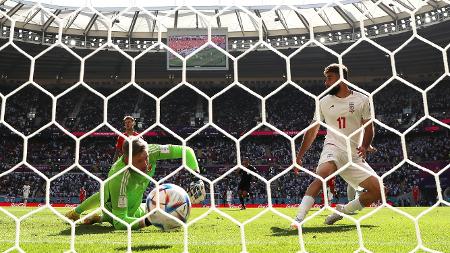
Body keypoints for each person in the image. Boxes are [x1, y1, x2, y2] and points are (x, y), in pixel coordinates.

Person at [291, 63, 381, 228]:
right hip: (333, 147)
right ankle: (298, 219)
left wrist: (365, 145)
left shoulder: (362, 99)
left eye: (329, 78)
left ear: (341, 78)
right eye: (326, 79)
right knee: (322, 175)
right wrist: (299, 156)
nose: (326, 83)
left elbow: (369, 127)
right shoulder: (323, 102)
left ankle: (342, 211)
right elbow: (312, 131)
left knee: (378, 190)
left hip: (353, 154)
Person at [65, 138, 206, 230]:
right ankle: (97, 215)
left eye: (146, 158)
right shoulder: (119, 176)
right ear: (127, 160)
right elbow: (120, 223)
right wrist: (152, 221)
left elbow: (187, 151)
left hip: (136, 204)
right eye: (139, 161)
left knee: (164, 206)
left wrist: (196, 178)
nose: (145, 164)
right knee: (109, 194)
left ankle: (94, 216)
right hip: (118, 209)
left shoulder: (152, 151)